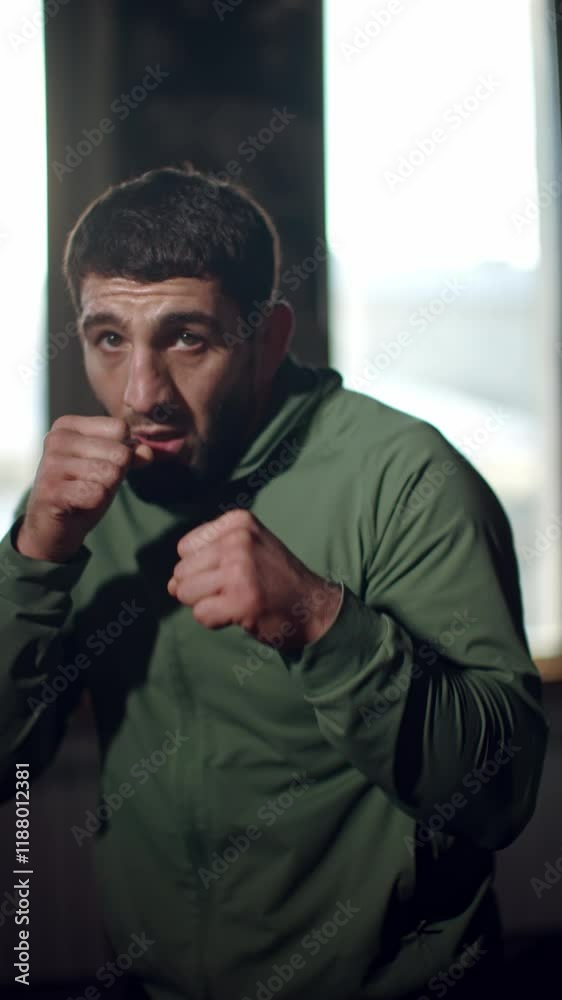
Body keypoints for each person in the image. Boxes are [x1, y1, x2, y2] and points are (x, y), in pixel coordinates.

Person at [0, 165, 549, 1000]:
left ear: (269, 336)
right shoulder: (74, 504)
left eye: (188, 338)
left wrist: (321, 621)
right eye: (109, 339)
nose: (142, 395)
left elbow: (500, 793)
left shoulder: (408, 480)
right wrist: (33, 561)